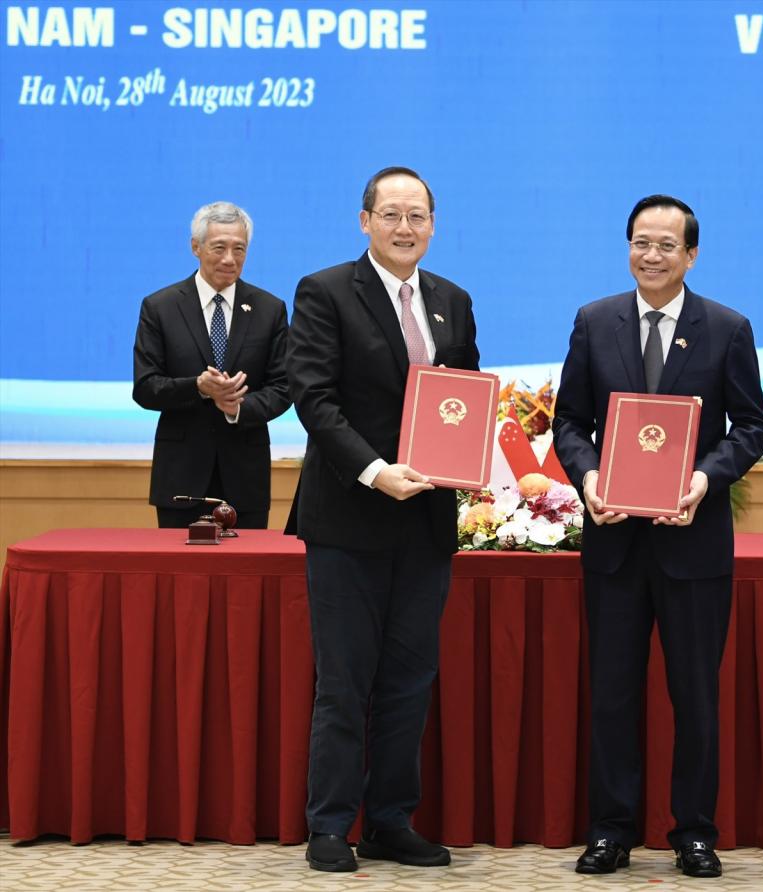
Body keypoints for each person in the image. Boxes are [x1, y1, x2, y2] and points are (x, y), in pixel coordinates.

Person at [553, 195, 763, 879]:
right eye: (640, 242)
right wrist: (589, 478)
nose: (652, 255)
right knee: (613, 693)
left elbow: (753, 427)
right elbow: (570, 423)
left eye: (666, 245)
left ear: (691, 254)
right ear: (628, 247)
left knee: (695, 696)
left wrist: (707, 479)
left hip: (692, 544)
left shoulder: (727, 327)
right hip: (615, 543)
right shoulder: (595, 321)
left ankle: (694, 832)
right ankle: (610, 830)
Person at [285, 166, 479, 873]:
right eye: (391, 214)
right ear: (364, 220)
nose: (405, 227)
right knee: (344, 682)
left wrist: (462, 465)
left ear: (433, 225)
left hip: (424, 521)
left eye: (418, 215)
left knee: (408, 680)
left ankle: (391, 821)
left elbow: (461, 402)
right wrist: (375, 471)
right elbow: (314, 397)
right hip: (348, 519)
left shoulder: (452, 302)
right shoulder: (325, 291)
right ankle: (331, 825)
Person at [132, 201, 290, 529]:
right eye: (219, 247)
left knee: (245, 576)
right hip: (180, 477)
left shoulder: (269, 309)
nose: (229, 259)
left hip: (245, 476)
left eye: (239, 249)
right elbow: (146, 387)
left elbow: (283, 387)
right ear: (196, 247)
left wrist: (236, 407)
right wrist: (198, 388)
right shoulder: (160, 307)